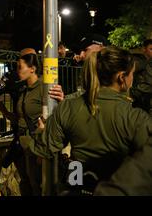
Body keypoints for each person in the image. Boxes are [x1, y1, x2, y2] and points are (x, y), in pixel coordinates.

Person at [28, 46, 152, 194]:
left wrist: (41, 131)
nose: (134, 79)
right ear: (121, 77)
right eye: (132, 74)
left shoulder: (68, 107)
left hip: (77, 186)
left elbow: (43, 148)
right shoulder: (136, 118)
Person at [0, 53, 64, 196]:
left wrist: (42, 148)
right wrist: (7, 114)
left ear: (32, 69)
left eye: (20, 67)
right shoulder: (23, 89)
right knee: (26, 183)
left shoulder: (44, 87)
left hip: (36, 144)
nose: (17, 70)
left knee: (38, 184)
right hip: (22, 144)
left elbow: (53, 117)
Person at [130, 39, 152, 113]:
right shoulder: (139, 61)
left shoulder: (149, 63)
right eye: (151, 49)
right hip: (139, 102)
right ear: (144, 49)